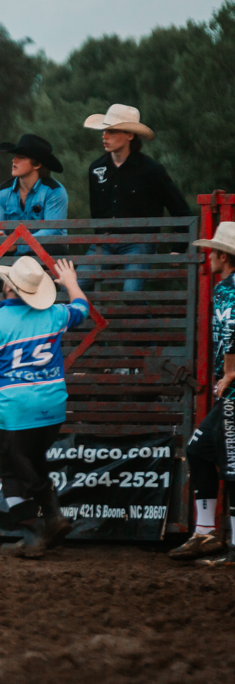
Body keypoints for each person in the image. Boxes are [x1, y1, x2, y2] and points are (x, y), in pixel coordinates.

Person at [0, 256, 90, 558]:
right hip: (53, 405)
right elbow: (82, 309)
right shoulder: (54, 315)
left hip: (16, 410)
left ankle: (38, 530)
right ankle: (48, 520)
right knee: (32, 458)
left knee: (11, 467)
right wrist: (70, 283)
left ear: (7, 286)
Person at [168, 222, 235, 564]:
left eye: (213, 252)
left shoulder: (229, 289)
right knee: (199, 450)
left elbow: (233, 329)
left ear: (224, 255)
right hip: (231, 392)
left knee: (233, 465)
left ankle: (229, 543)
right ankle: (206, 532)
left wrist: (230, 371)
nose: (209, 257)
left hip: (234, 392)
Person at [79, 104, 192, 292]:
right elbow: (97, 211)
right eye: (104, 130)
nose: (104, 136)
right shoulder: (96, 168)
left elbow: (179, 208)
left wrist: (179, 247)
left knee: (131, 293)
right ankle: (91, 319)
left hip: (139, 242)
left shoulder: (151, 170)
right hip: (105, 243)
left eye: (112, 131)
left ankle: (141, 318)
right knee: (71, 287)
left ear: (130, 135)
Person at [0, 134, 68, 256]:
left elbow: (52, 231)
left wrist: (17, 243)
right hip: (12, 249)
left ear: (37, 164)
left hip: (43, 252)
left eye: (21, 157)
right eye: (15, 156)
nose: (14, 160)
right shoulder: (1, 192)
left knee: (53, 248)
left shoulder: (54, 191)